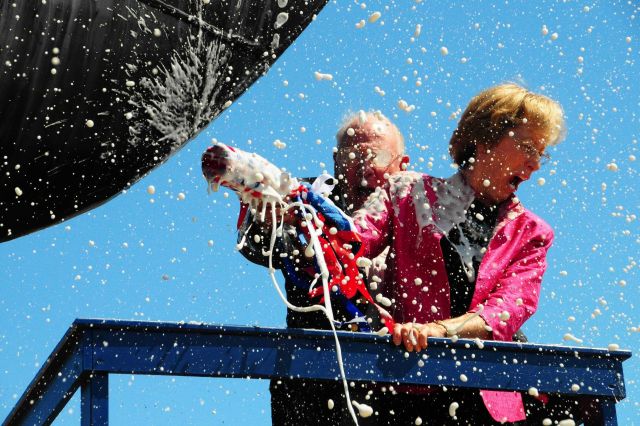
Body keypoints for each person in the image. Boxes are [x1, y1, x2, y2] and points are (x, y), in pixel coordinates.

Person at [352, 83, 566, 424]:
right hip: (403, 391)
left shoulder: (532, 233)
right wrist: (290, 211)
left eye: (542, 153)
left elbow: (506, 310)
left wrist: (437, 330)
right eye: (527, 147)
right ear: (484, 139)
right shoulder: (406, 193)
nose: (535, 165)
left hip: (490, 406)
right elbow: (348, 244)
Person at [237, 111, 409, 425]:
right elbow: (259, 245)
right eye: (352, 155)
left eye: (379, 156)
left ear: (403, 164)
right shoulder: (304, 198)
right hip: (312, 382)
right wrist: (265, 213)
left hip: (403, 385)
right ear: (335, 160)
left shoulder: (423, 212)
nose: (365, 167)